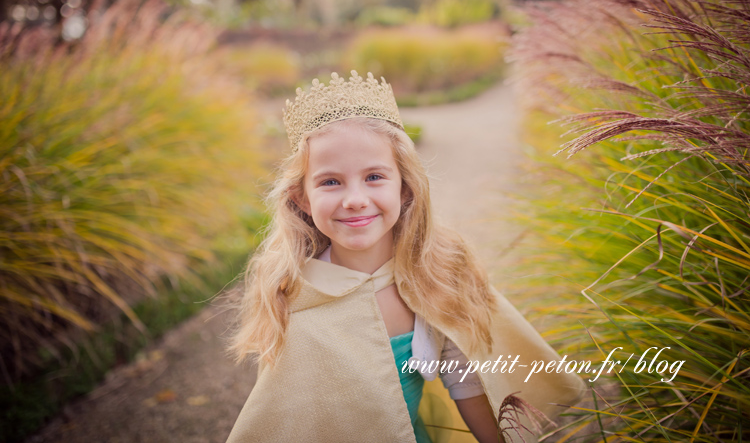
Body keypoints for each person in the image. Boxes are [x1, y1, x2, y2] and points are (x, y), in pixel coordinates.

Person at [226, 71, 586, 443]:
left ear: (405, 186)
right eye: (330, 181)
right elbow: (289, 417)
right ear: (302, 197)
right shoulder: (299, 300)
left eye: (375, 177)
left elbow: (467, 380)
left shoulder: (435, 274)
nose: (354, 199)